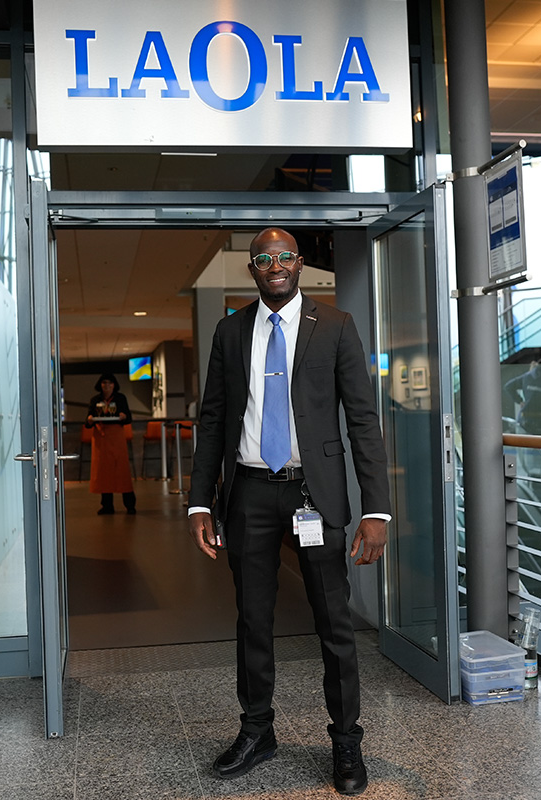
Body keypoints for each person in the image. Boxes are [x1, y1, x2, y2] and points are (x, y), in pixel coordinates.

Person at [187, 227, 390, 796]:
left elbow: (363, 421)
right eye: (263, 258)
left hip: (313, 494)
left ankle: (346, 741)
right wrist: (200, 501)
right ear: (252, 268)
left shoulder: (337, 326)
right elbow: (213, 420)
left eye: (284, 257)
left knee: (334, 623)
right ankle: (257, 731)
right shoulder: (230, 331)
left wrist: (377, 510)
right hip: (249, 494)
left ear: (299, 264)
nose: (274, 265)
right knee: (252, 619)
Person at [85, 373, 136, 515]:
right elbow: (88, 421)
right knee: (104, 472)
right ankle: (107, 505)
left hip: (116, 437)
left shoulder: (120, 398)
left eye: (110, 383)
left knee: (121, 469)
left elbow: (128, 418)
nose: (107, 385)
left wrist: (123, 416)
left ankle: (130, 505)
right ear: (100, 385)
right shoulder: (95, 400)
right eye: (104, 383)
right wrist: (90, 419)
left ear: (114, 385)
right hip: (101, 438)